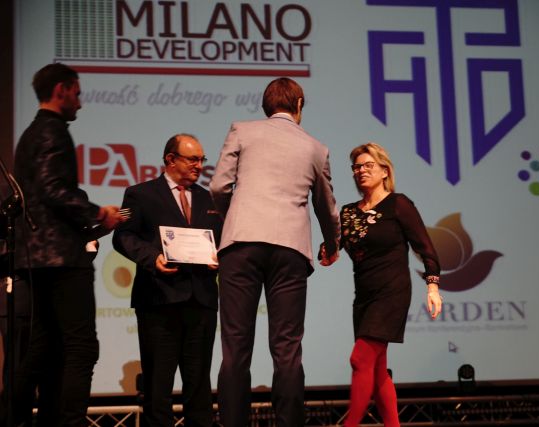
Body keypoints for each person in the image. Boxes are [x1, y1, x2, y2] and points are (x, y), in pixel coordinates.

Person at [210, 77, 341, 427]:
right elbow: (327, 207)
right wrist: (332, 244)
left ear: (266, 106)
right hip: (290, 249)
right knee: (287, 348)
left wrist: (233, 221)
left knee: (235, 347)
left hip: (241, 245)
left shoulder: (242, 131)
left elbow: (218, 186)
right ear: (298, 105)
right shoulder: (315, 147)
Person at [1, 62, 125, 427]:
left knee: (42, 347)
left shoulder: (30, 133)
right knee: (82, 347)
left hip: (37, 258)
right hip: (62, 259)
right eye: (77, 93)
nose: (80, 103)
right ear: (61, 90)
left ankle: (13, 418)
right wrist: (99, 212)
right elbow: (53, 190)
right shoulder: (53, 131)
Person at [324, 142, 442, 427]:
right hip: (364, 297)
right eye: (356, 167)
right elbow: (334, 246)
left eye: (368, 165)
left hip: (392, 293)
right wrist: (327, 252)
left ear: (385, 171)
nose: (361, 171)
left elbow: (425, 248)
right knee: (377, 372)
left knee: (360, 359)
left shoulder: (398, 204)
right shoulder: (348, 212)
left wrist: (433, 286)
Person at [113, 134, 222, 427]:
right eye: (192, 159)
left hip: (201, 300)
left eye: (202, 159)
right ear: (170, 159)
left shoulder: (210, 198)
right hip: (158, 300)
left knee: (199, 386)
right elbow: (122, 236)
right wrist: (153, 258)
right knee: (157, 386)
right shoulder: (139, 194)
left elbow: (222, 240)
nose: (199, 165)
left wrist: (220, 256)